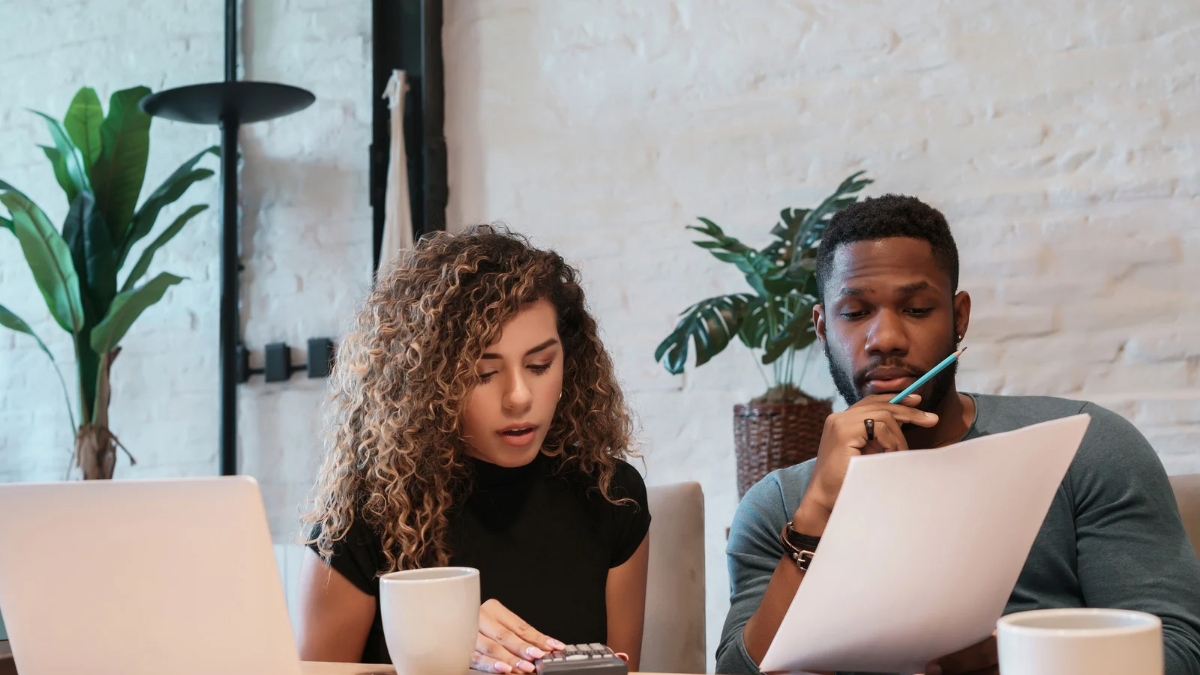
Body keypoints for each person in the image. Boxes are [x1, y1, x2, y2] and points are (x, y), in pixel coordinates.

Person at [717, 195, 1200, 675]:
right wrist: (818, 511)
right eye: (856, 312)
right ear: (822, 327)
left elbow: (1176, 650)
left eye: (917, 309)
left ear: (959, 316)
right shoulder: (777, 506)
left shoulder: (1087, 446)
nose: (885, 338)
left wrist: (1016, 664)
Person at [298, 226, 650, 672]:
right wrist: (440, 650)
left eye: (540, 365)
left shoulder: (610, 494)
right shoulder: (364, 513)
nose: (519, 397)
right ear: (429, 383)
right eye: (484, 373)